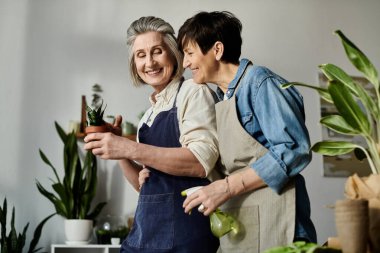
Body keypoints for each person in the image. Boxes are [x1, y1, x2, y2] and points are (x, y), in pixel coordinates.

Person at [177, 11, 317, 252]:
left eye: (190, 53)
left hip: (280, 218)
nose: (186, 63)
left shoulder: (259, 82)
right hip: (247, 220)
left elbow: (295, 149)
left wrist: (228, 187)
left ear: (217, 50)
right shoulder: (222, 98)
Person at [84, 16, 220, 253]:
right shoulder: (150, 113)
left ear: (174, 54)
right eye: (140, 55)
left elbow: (200, 162)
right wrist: (121, 153)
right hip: (145, 234)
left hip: (183, 237)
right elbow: (147, 187)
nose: (149, 62)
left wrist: (129, 148)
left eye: (157, 51)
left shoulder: (193, 92)